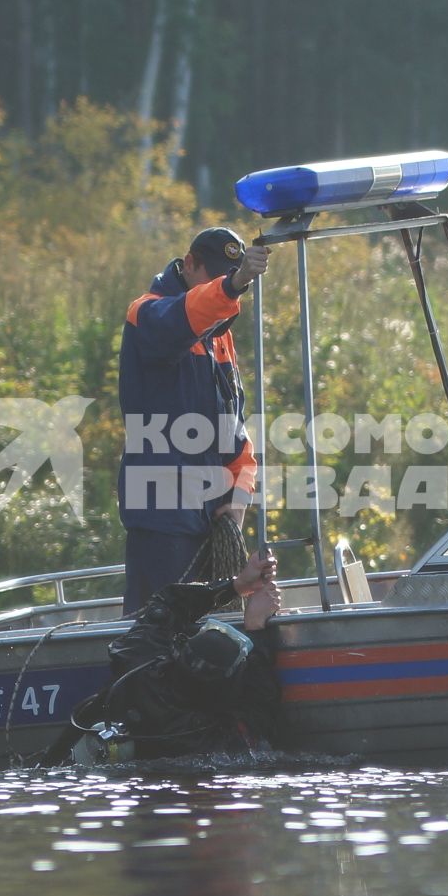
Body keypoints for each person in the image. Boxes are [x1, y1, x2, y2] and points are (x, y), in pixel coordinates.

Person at [118, 225, 272, 615]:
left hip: (207, 519)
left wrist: (239, 497)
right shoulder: (148, 313)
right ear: (188, 264)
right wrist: (234, 284)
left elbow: (234, 430)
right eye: (214, 275)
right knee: (159, 637)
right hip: (162, 516)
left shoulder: (218, 336)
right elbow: (181, 318)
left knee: (211, 637)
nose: (219, 287)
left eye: (227, 277)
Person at [56, 551, 285, 764]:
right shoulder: (207, 741)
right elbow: (262, 708)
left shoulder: (139, 662)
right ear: (228, 690)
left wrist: (236, 585)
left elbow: (166, 604)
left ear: (179, 651)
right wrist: (256, 627)